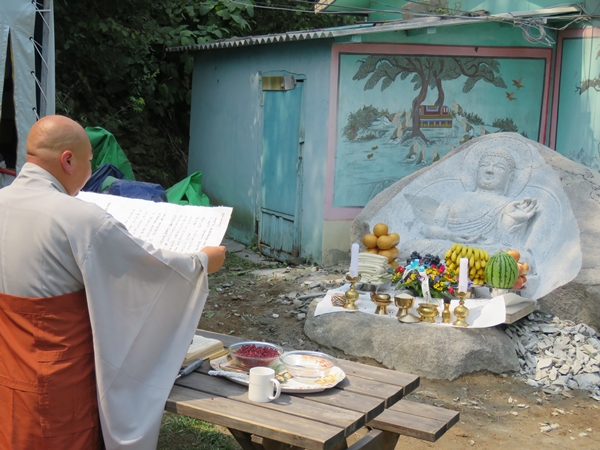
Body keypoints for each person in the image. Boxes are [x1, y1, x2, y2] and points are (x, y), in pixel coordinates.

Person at [0, 115, 226, 449]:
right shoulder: (80, 217)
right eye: (90, 161)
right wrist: (202, 261)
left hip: (9, 371)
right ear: (68, 160)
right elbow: (150, 271)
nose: (91, 170)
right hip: (59, 380)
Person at [425, 147, 538, 248]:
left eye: (499, 167)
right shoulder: (454, 198)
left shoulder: (510, 206)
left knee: (521, 258)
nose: (489, 170)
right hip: (450, 248)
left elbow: (510, 245)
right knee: (411, 247)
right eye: (484, 165)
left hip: (486, 252)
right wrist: (450, 236)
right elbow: (430, 230)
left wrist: (513, 221)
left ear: (510, 177)